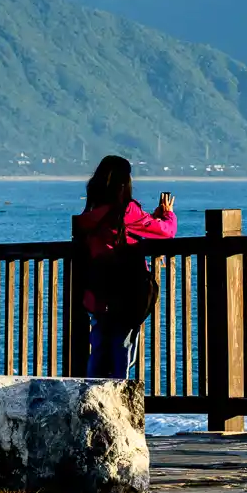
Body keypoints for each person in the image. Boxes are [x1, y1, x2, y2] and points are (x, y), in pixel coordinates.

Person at [77, 155, 176, 379]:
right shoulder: (127, 210)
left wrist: (149, 218)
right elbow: (165, 232)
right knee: (123, 350)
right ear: (124, 183)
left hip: (98, 292)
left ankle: (93, 400)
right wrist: (167, 215)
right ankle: (118, 403)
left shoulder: (91, 213)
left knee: (99, 350)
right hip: (125, 293)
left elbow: (118, 232)